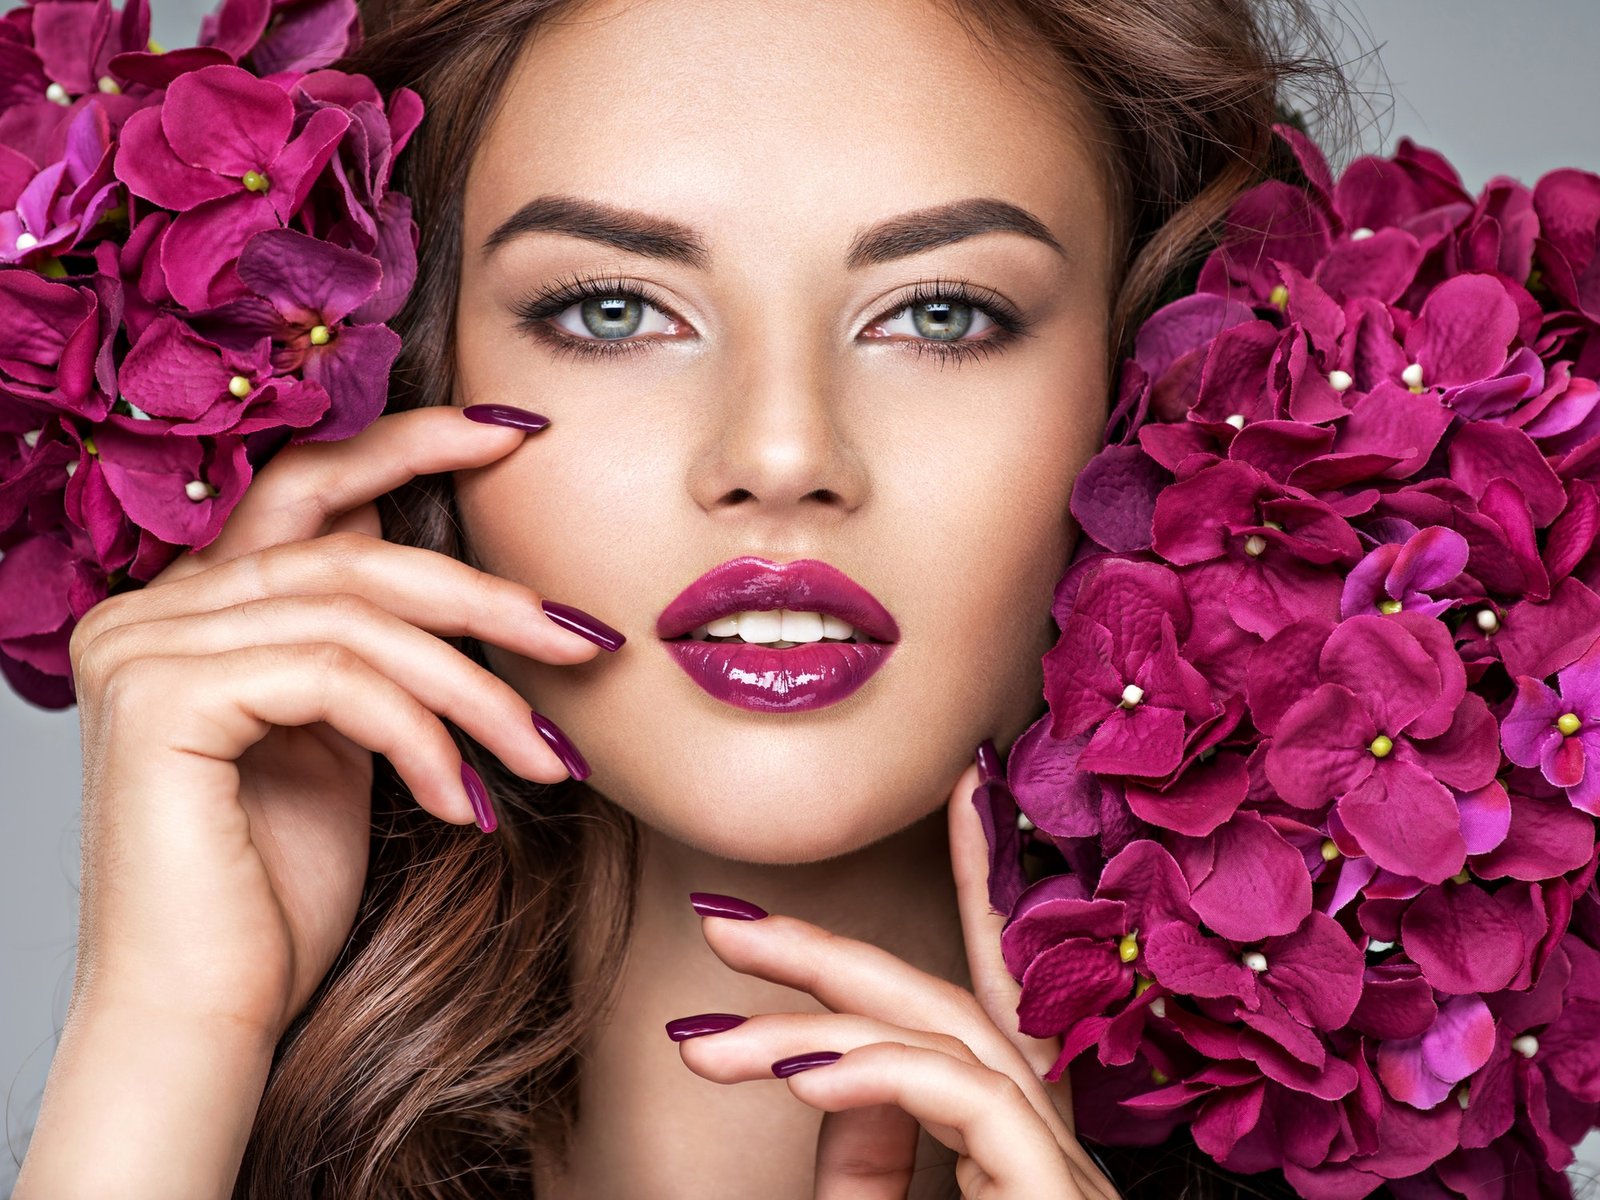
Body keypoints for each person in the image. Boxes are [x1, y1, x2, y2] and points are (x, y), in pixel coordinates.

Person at [13, 0, 1352, 1195]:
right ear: (409, 384)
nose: (780, 455)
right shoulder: (176, 1084)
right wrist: (168, 1033)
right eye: (612, 313)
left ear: (1160, 394)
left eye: (941, 315)